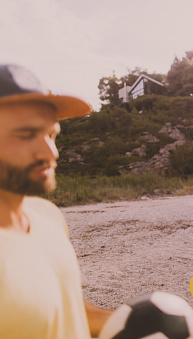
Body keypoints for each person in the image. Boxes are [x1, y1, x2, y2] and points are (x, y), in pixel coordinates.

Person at [0, 64, 112, 338]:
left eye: (52, 135)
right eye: (27, 135)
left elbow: (64, 307)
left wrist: (126, 322)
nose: (51, 152)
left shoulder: (47, 215)